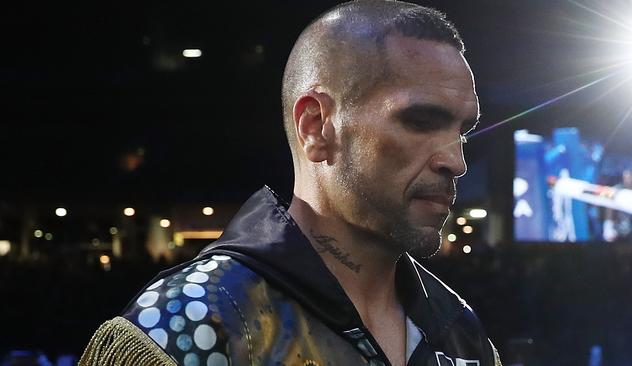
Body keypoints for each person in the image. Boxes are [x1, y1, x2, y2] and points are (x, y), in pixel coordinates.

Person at [79, 1, 501, 365]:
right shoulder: (191, 323)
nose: (456, 161)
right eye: (420, 122)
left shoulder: (461, 332)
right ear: (316, 126)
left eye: (461, 131)